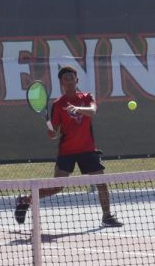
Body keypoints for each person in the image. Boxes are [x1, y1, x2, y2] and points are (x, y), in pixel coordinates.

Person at [15, 65, 122, 228]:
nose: (70, 81)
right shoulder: (58, 105)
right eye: (66, 79)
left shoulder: (87, 97)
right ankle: (25, 200)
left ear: (77, 80)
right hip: (67, 152)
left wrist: (77, 108)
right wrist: (50, 129)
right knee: (57, 187)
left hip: (87, 149)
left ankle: (107, 216)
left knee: (102, 182)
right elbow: (53, 134)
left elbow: (93, 111)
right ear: (61, 83)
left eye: (72, 78)